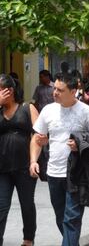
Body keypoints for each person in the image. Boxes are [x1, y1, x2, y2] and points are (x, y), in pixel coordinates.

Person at [29, 73, 89, 246]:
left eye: (60, 90)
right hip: (54, 174)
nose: (55, 92)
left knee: (71, 220)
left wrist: (81, 144)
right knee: (61, 218)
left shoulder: (87, 113)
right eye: (55, 88)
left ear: (73, 91)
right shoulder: (48, 110)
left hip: (77, 174)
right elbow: (37, 138)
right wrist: (33, 160)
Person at [0, 75, 38, 246]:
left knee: (27, 204)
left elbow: (38, 135)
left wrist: (34, 161)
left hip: (24, 166)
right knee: (1, 206)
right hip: (2, 168)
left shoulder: (27, 108)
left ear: (10, 91)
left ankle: (28, 239)